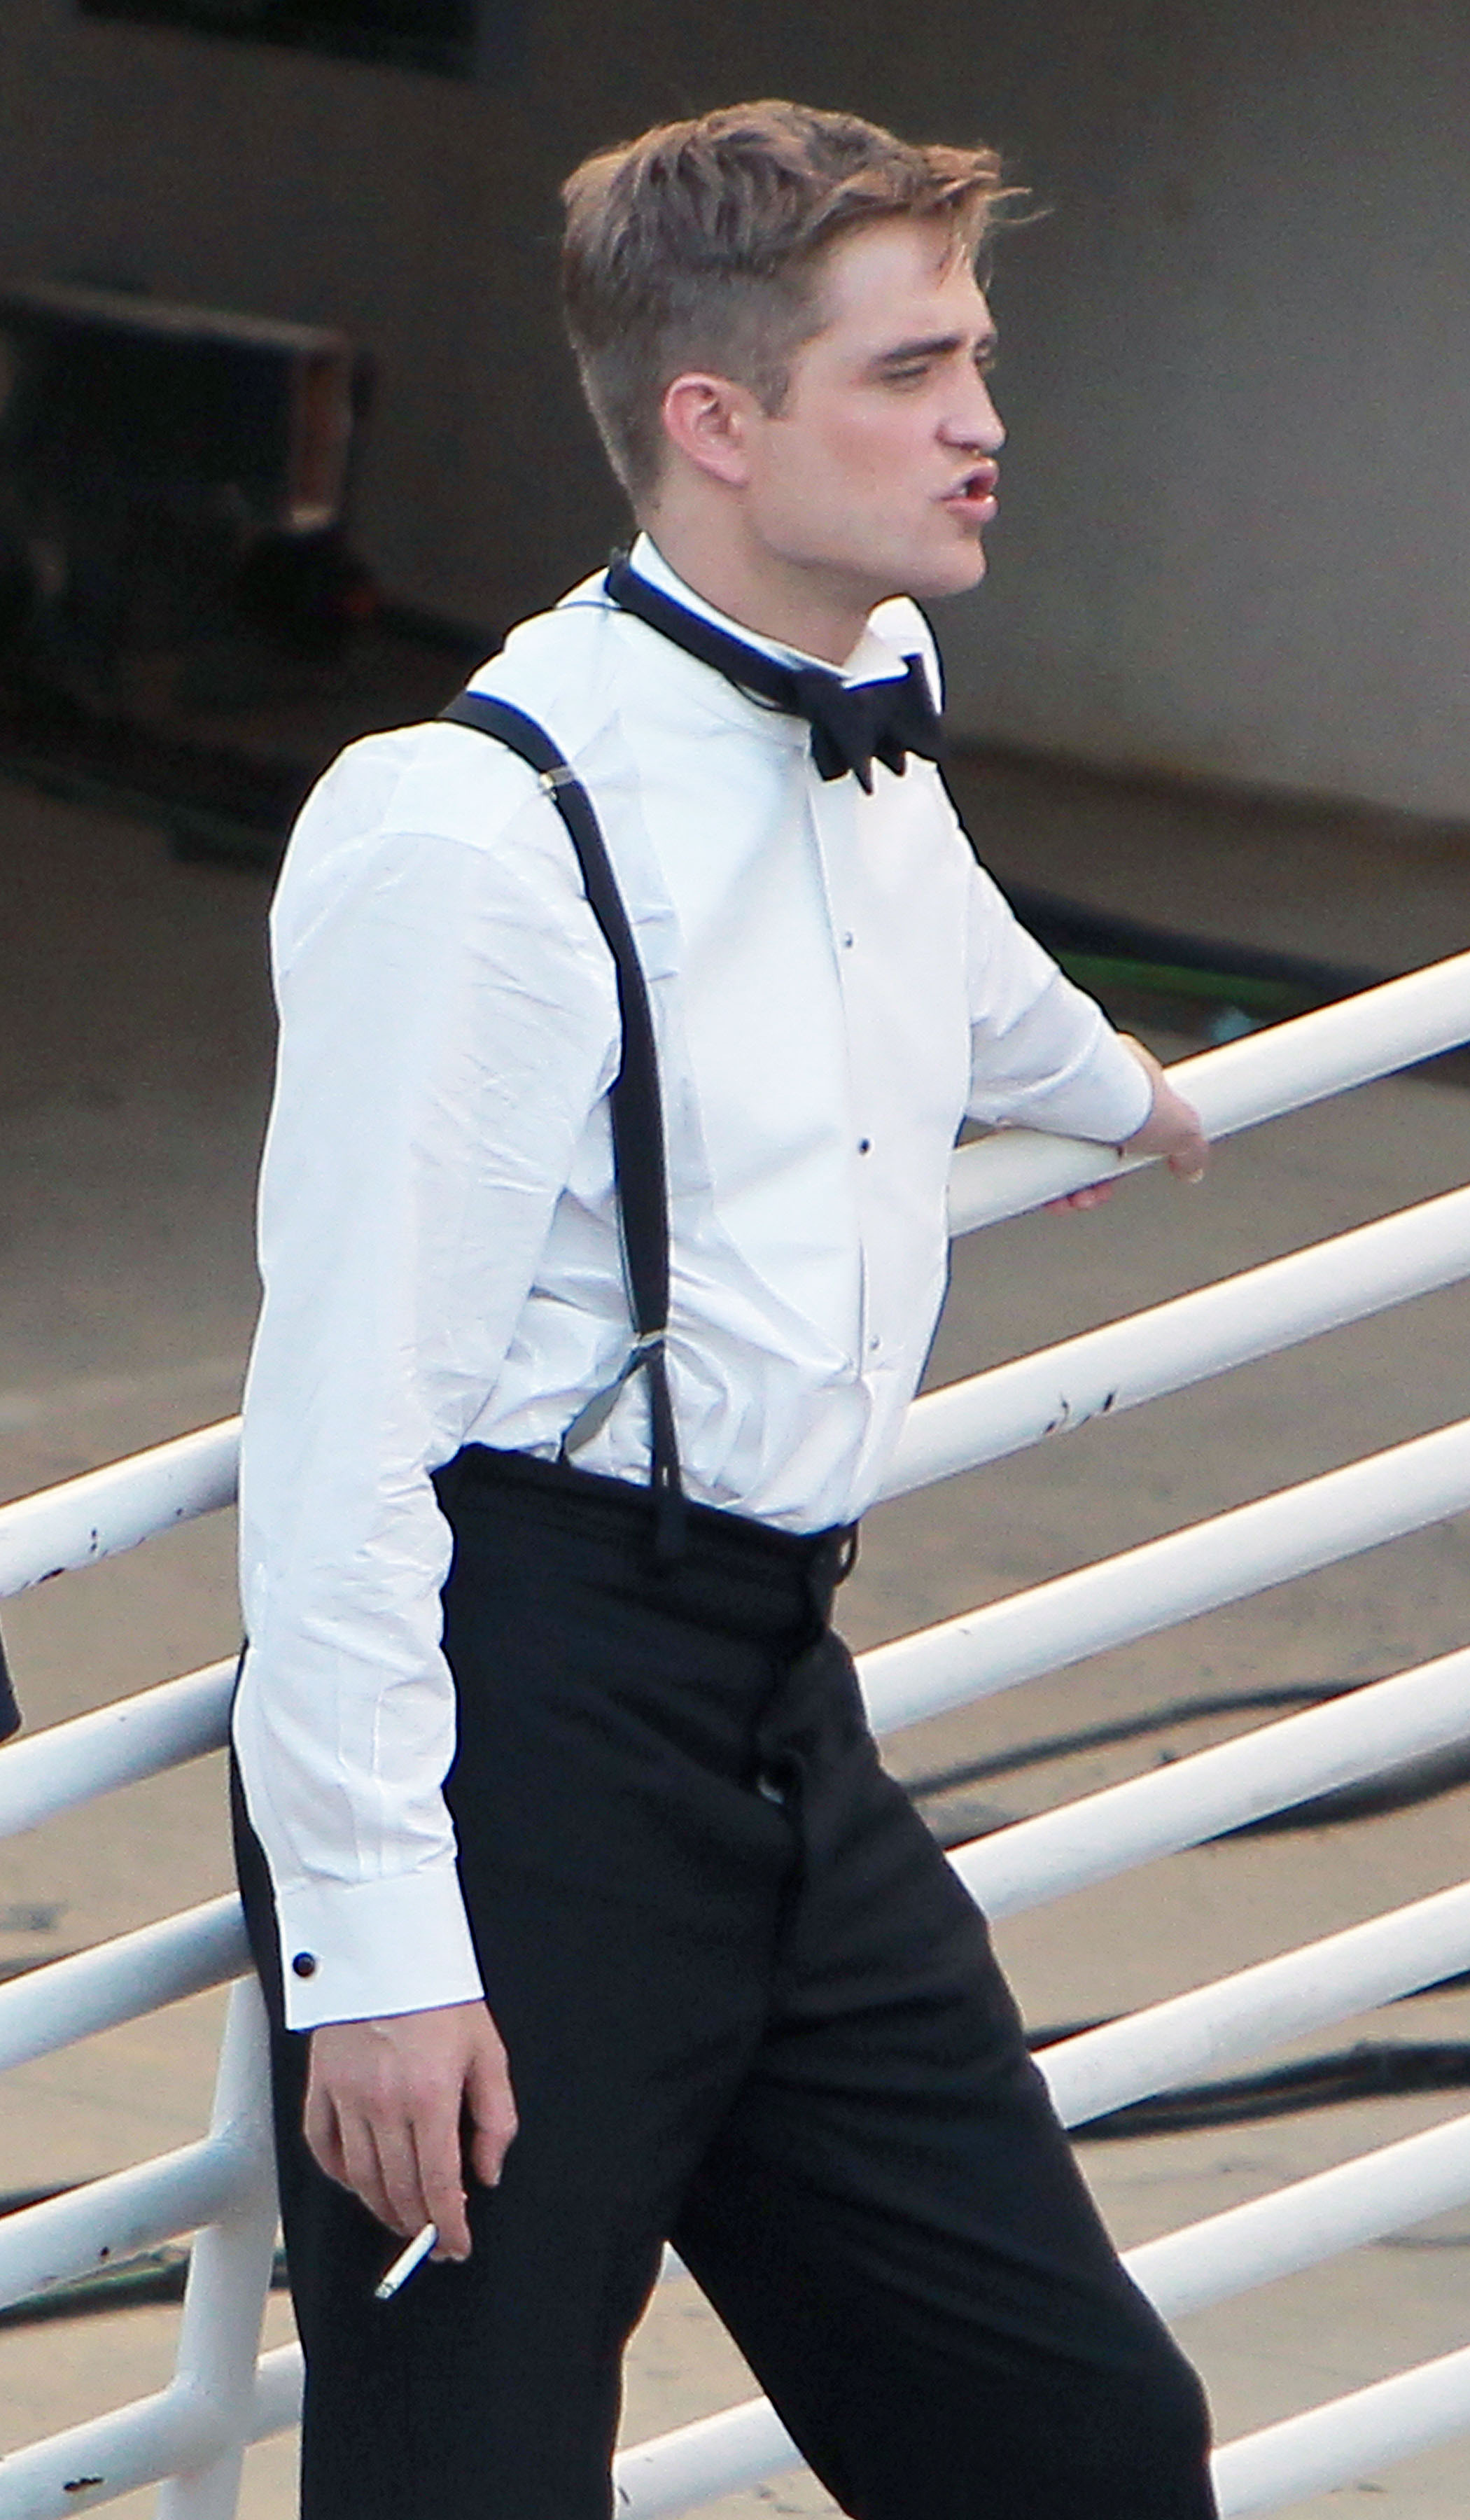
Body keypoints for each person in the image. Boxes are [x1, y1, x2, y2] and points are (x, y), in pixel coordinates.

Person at [231, 99, 1217, 2520]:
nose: (980, 420)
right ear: (715, 421)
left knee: (1075, 2441)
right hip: (519, 1737)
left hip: (779, 1705)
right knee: (467, 2484)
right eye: (909, 370)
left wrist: (1123, 1092)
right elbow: (344, 1431)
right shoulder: (477, 827)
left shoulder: (863, 708)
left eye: (972, 355)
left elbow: (951, 965)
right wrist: (376, 1946)